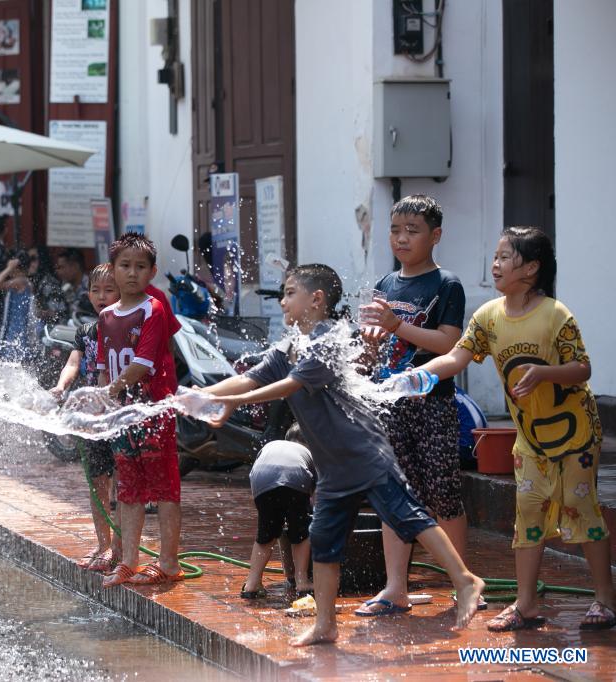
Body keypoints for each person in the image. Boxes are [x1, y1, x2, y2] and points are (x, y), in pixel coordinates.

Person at [201, 264, 484, 646]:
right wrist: (204, 395)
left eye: (289, 293)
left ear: (316, 300)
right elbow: (250, 378)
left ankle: (465, 581)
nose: (282, 301)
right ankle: (325, 624)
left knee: (408, 517)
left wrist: (234, 403)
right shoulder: (290, 347)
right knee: (324, 539)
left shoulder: (328, 343)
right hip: (333, 464)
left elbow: (289, 386)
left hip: (363, 452)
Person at [415, 227, 615, 632]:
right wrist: (417, 376)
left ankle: (605, 598)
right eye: (495, 256)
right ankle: (526, 605)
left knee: (582, 511)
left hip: (576, 438)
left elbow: (582, 368)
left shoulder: (555, 315)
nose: (495, 264)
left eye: (505, 257)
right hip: (530, 439)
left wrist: (544, 373)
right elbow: (456, 357)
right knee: (528, 515)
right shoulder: (488, 317)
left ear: (531, 268)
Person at [355, 195, 473, 616]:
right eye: (395, 230)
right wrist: (370, 345)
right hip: (391, 406)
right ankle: (395, 587)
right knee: (396, 496)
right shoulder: (386, 285)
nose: (401, 239)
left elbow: (448, 343)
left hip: (433, 405)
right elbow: (372, 350)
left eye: (412, 231)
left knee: (443, 494)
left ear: (435, 235)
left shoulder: (446, 284)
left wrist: (397, 325)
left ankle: (462, 584)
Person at [95, 234, 182, 588]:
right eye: (125, 266)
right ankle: (128, 561)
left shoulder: (153, 309)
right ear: (112, 269)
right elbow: (103, 366)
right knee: (128, 488)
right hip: (122, 416)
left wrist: (108, 392)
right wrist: (102, 403)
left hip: (153, 412)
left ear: (152, 272)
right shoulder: (105, 316)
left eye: (140, 267)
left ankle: (169, 562)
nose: (132, 273)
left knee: (163, 487)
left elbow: (143, 364)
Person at [51, 263, 122, 571]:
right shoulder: (86, 332)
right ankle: (103, 544)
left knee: (122, 486)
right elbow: (73, 363)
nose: (101, 296)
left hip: (118, 417)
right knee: (97, 483)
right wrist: (61, 386)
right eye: (96, 290)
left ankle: (120, 548)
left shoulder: (125, 328)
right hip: (92, 420)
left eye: (109, 290)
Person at [241, 424, 314, 600]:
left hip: (261, 479)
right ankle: (302, 581)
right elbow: (317, 496)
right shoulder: (310, 453)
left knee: (265, 534)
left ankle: (252, 584)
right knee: (301, 534)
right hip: (295, 477)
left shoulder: (273, 445)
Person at [0, 249, 35, 362]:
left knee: (10, 359)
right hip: (16, 327)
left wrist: (9, 268)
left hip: (15, 328)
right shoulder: (25, 282)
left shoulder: (20, 281)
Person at [27, 245, 69, 325]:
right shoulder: (37, 282)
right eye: (27, 259)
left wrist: (37, 312)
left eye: (33, 259)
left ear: (42, 260)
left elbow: (57, 313)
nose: (29, 263)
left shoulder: (48, 283)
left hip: (56, 329)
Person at [56, 248, 90, 317]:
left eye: (62, 267)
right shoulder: (65, 287)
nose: (59, 272)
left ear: (75, 266)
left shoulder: (91, 287)